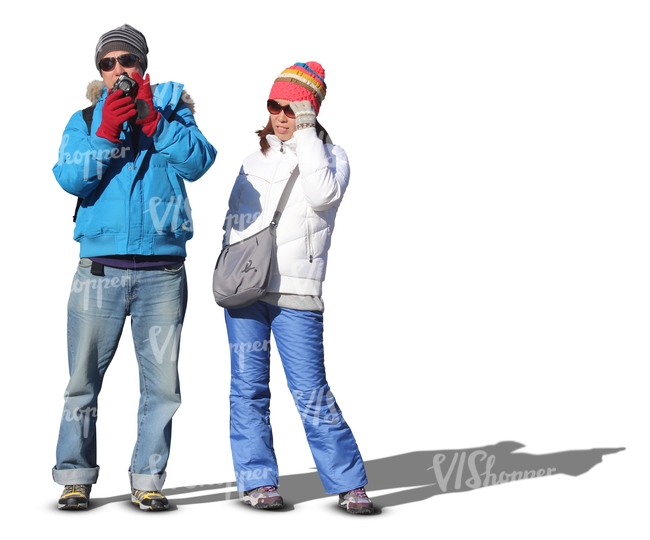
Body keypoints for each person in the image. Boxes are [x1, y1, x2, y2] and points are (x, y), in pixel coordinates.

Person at [52, 23, 216, 511]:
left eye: (127, 60)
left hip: (162, 275)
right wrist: (105, 132)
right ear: (100, 70)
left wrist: (153, 124)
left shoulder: (172, 112)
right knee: (82, 383)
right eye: (108, 63)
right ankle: (75, 477)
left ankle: (148, 478)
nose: (118, 69)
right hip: (98, 273)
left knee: (162, 386)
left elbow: (200, 162)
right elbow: (68, 178)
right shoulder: (84, 118)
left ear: (143, 65)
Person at [220, 61, 373, 514]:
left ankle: (348, 482)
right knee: (247, 388)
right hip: (246, 291)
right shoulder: (252, 159)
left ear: (312, 112)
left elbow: (323, 196)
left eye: (294, 108)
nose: (282, 116)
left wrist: (307, 134)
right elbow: (234, 220)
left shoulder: (333, 157)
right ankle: (257, 480)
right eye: (275, 105)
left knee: (310, 390)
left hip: (297, 291)